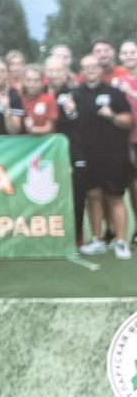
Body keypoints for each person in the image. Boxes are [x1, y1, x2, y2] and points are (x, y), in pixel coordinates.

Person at [58, 55, 135, 257]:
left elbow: (128, 122)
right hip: (88, 156)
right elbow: (73, 125)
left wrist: (112, 116)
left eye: (93, 66)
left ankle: (120, 242)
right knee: (93, 197)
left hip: (113, 155)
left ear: (100, 69)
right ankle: (97, 239)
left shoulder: (115, 93)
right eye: (85, 67)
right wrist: (71, 113)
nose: (90, 70)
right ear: (81, 71)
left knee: (115, 197)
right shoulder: (74, 94)